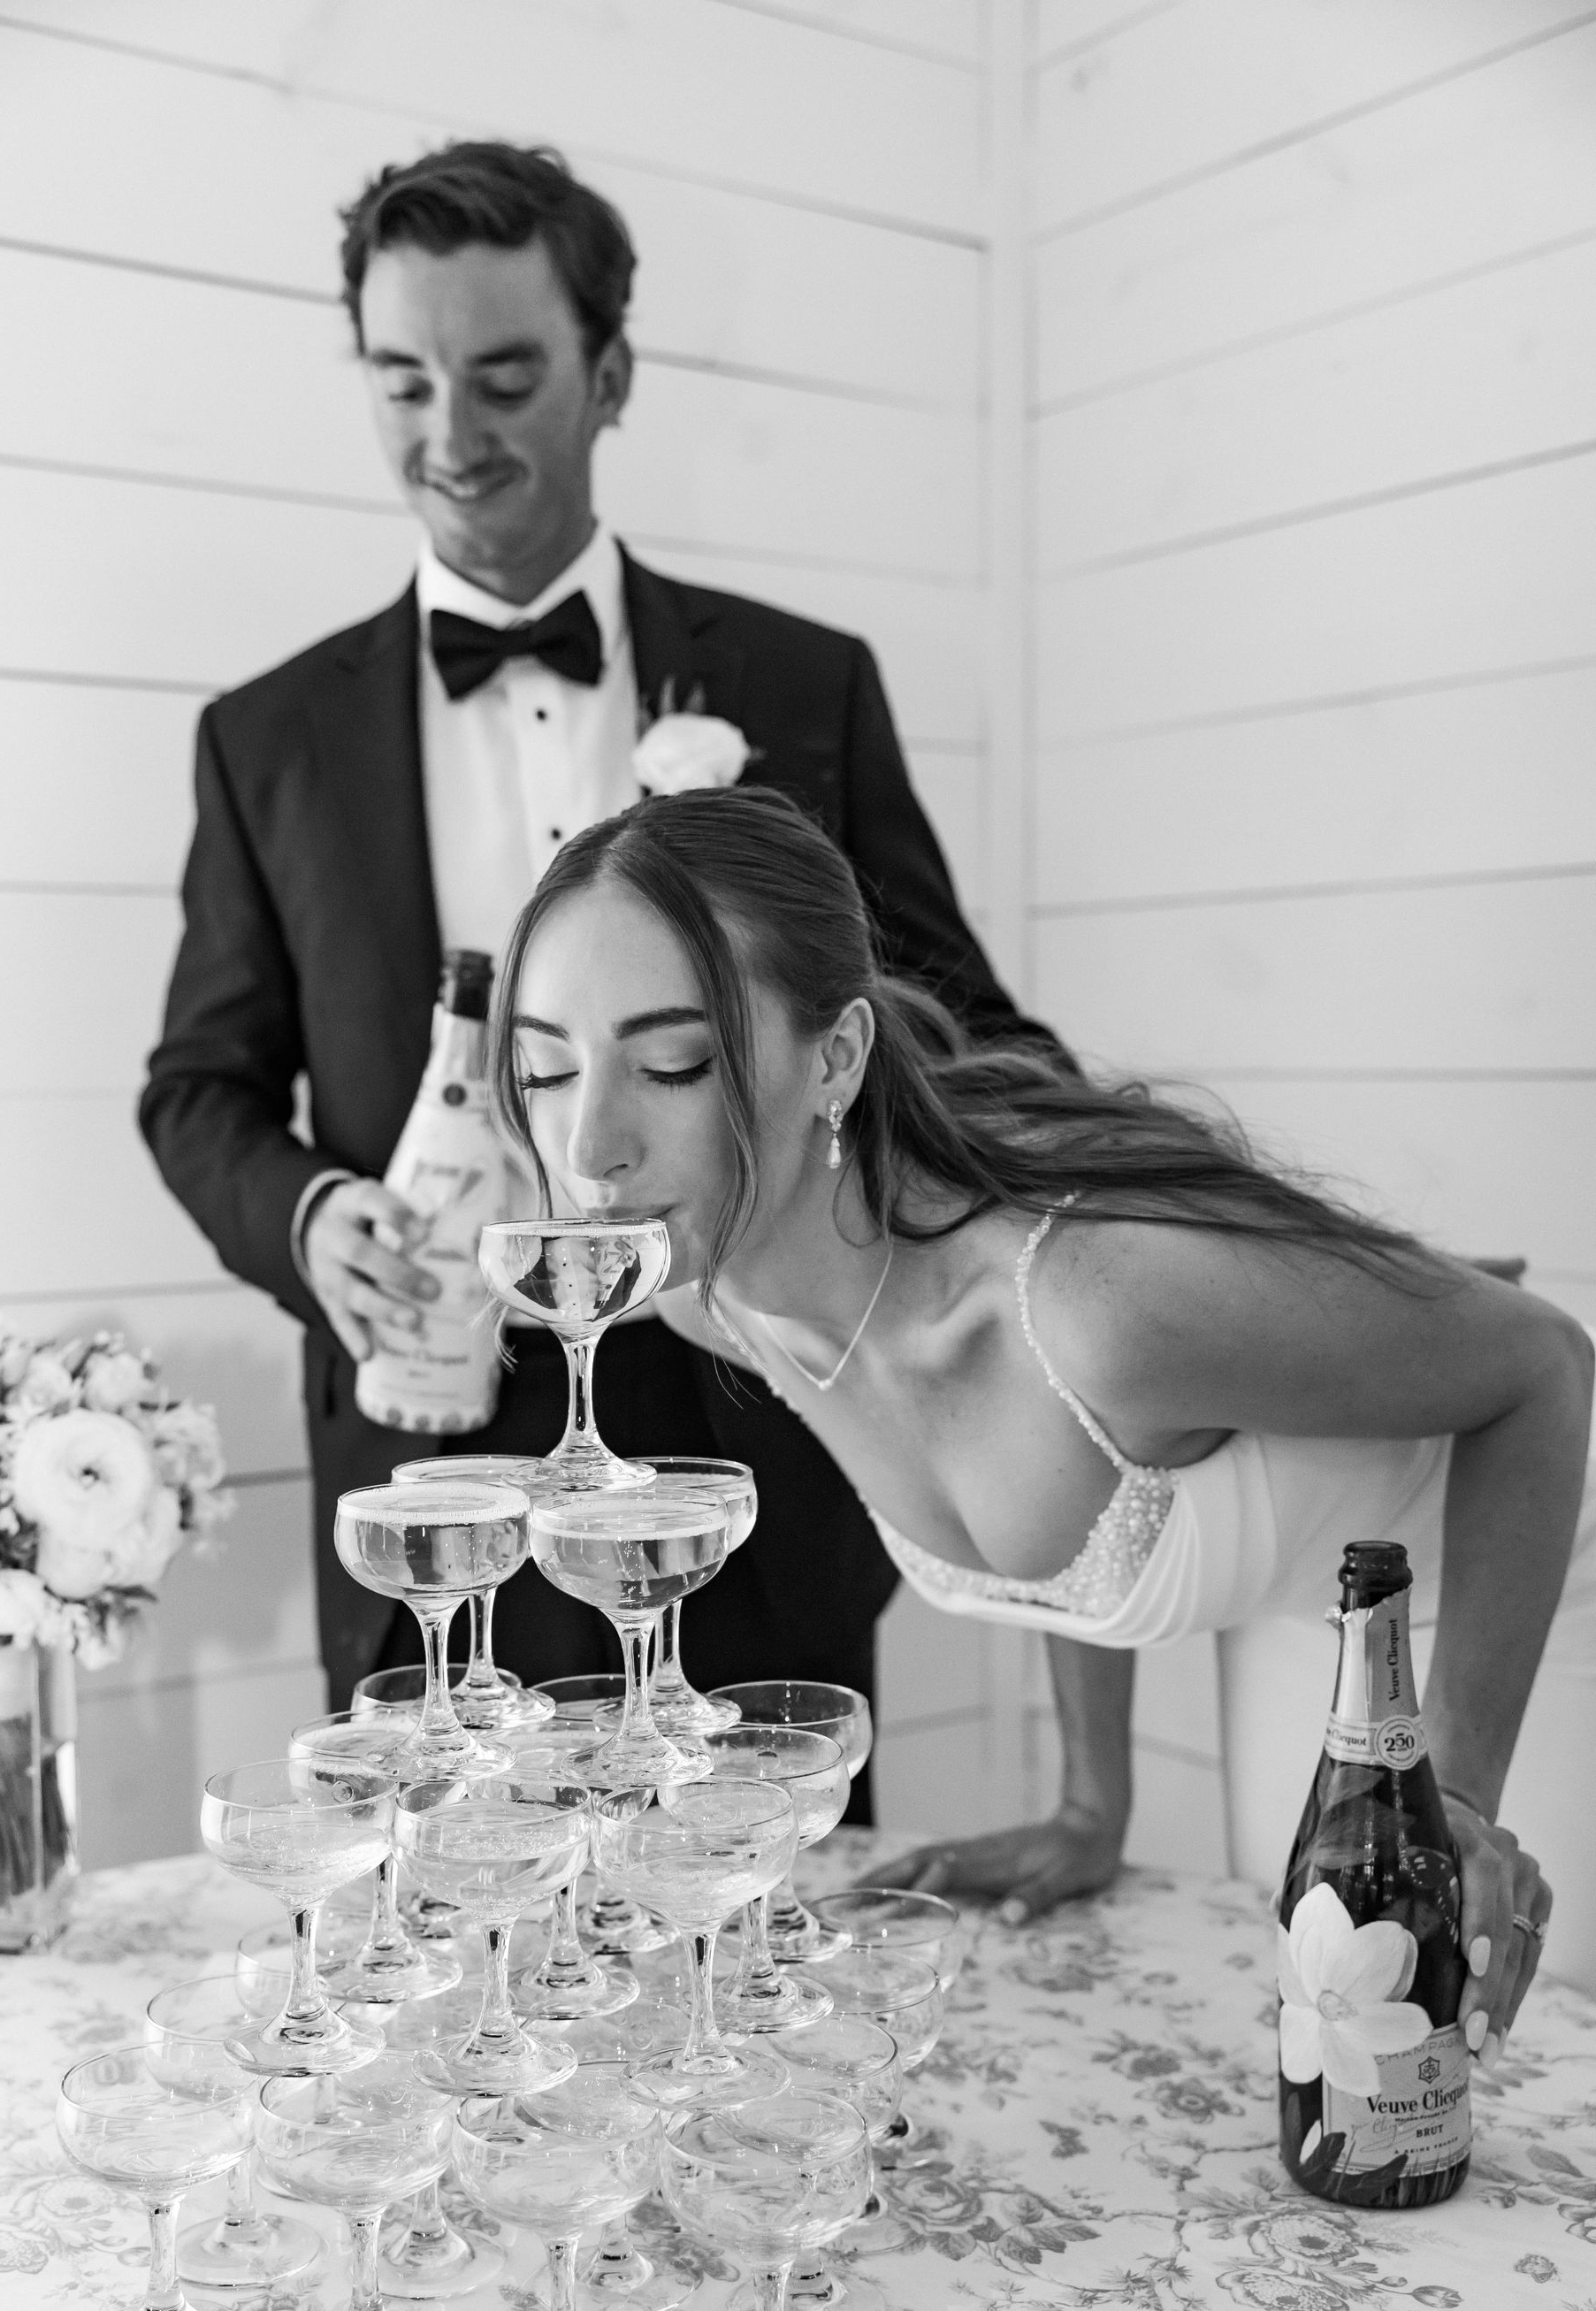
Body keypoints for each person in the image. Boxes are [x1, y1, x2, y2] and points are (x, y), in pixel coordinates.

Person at [138, 142, 1067, 1764]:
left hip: (758, 1456)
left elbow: (958, 1026)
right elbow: (197, 1090)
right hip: (435, 1481)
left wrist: (1141, 1219)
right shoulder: (265, 739)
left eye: (504, 378)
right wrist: (316, 1221)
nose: (450, 435)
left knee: (755, 1901)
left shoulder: (804, 688)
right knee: (454, 1913)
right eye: (403, 380)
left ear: (611, 375)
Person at [487, 783, 1596, 2055]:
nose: (589, 1146)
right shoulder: (712, 1301)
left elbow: (1542, 1368)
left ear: (835, 1060)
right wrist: (1089, 1807)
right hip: (1318, 1596)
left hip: (1524, 1546)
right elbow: (1079, 1491)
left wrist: (1452, 1805)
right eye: (547, 1066)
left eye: (671, 1063)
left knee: (1492, 2042)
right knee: (1332, 2039)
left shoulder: (1093, 1306)